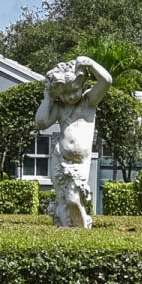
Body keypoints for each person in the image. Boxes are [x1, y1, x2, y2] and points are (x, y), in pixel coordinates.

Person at [32, 56, 114, 229]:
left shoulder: (89, 102)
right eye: (65, 94)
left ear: (82, 84)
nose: (71, 97)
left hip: (78, 163)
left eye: (74, 90)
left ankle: (83, 234)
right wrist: (47, 98)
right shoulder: (61, 109)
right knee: (62, 204)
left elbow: (106, 81)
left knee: (74, 199)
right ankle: (66, 240)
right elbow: (40, 123)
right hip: (59, 158)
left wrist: (91, 64)